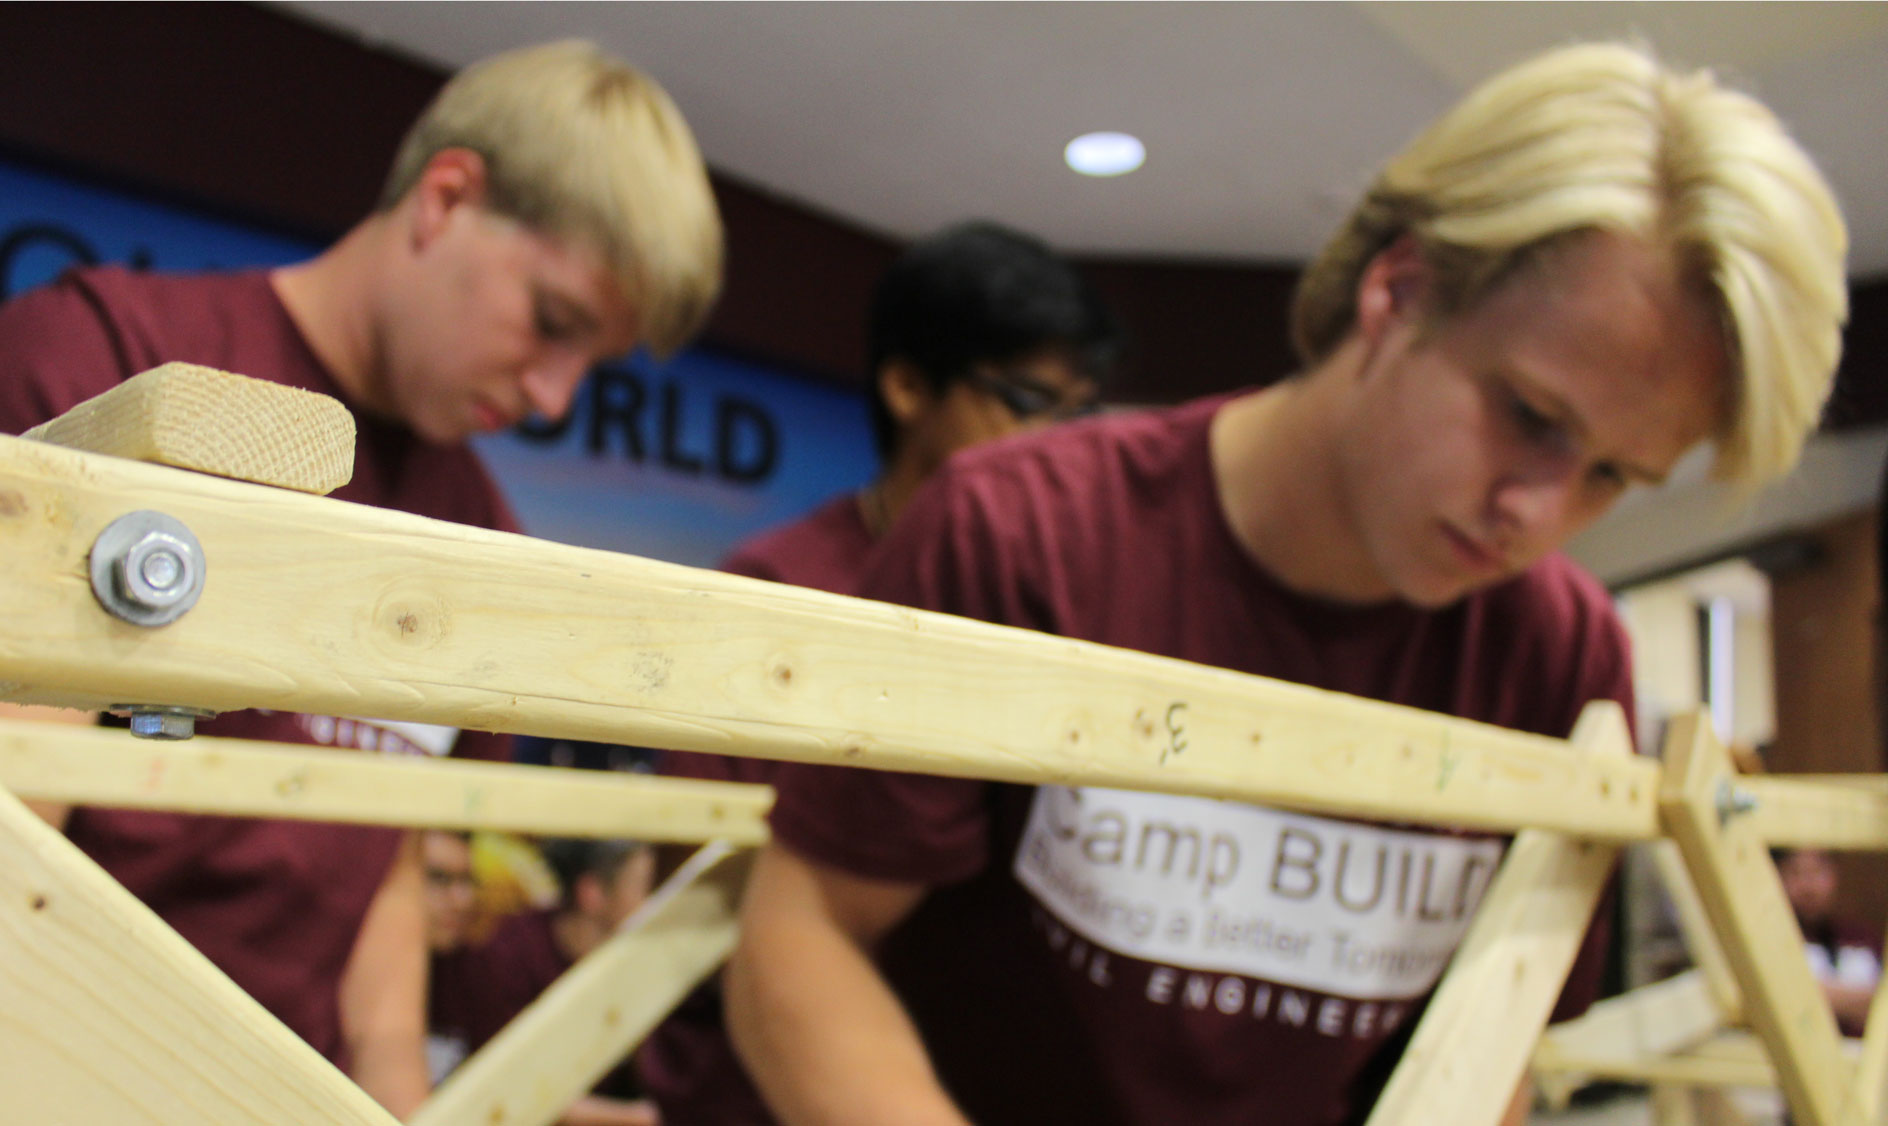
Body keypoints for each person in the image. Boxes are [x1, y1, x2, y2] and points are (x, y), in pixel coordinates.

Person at [725, 42, 1848, 1126]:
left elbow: (1482, 1050)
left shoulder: (1558, 658)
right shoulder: (1021, 529)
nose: (1537, 514)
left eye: (1610, 474)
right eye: (1528, 417)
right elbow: (803, 936)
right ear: (1397, 288)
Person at [0, 40, 721, 1117]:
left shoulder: (476, 528)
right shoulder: (103, 360)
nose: (556, 397)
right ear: (445, 198)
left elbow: (381, 863)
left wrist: (386, 1094)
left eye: (590, 363)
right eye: (551, 323)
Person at [641, 221, 1117, 1126]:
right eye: (1025, 400)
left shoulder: (1060, 608)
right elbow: (696, 888)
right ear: (907, 387)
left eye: (1078, 414)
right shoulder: (775, 592)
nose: (1059, 445)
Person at [430, 838, 661, 1126]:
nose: (654, 905)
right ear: (592, 893)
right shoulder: (508, 954)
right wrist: (641, 1118)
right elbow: (502, 1089)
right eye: (643, 888)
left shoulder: (638, 965)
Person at [1775, 846, 1881, 1036]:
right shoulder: (1771, 941)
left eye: (1818, 871)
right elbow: (1778, 998)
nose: (1809, 886)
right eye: (1795, 872)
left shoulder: (1863, 938)